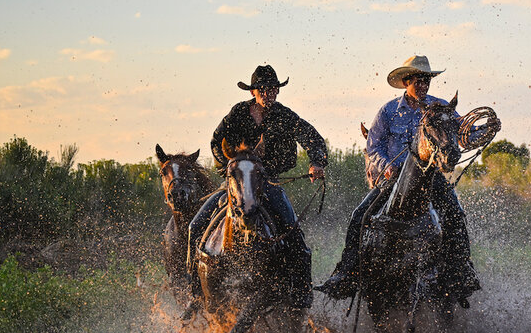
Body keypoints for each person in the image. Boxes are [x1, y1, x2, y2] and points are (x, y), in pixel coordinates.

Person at [317, 55, 483, 306]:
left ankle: (460, 271)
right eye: (419, 80)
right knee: (359, 215)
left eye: (427, 80)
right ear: (406, 82)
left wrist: (482, 131)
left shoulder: (440, 108)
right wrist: (387, 168)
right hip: (394, 178)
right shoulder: (388, 111)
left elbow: (461, 135)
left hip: (431, 178)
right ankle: (347, 272)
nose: (424, 85)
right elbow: (374, 147)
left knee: (456, 214)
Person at [184, 65, 327, 314]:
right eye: (263, 89)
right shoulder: (238, 113)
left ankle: (301, 293)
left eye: (273, 89)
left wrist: (316, 162)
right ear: (253, 92)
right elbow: (216, 142)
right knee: (194, 227)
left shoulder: (284, 115)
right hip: (236, 182)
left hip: (268, 182)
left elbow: (311, 136)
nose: (268, 93)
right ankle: (195, 294)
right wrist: (227, 168)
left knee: (295, 235)